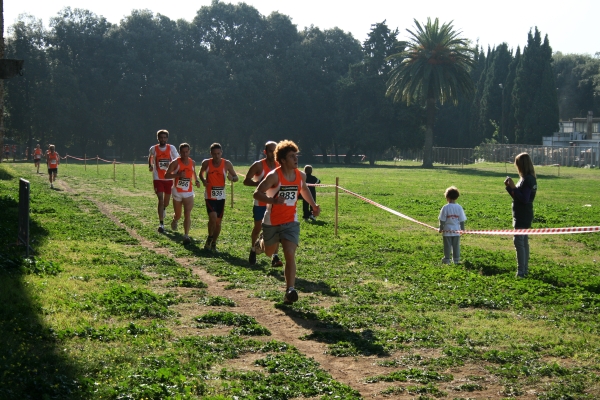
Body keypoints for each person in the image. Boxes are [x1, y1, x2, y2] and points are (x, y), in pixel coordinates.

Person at [253, 140, 320, 304]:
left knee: (289, 254)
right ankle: (260, 244)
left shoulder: (300, 175)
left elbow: (303, 189)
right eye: (291, 156)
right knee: (269, 252)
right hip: (272, 221)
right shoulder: (274, 176)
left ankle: (290, 290)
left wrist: (313, 205)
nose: (295, 159)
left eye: (296, 155)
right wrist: (273, 201)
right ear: (282, 160)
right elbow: (257, 194)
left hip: (291, 221)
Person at [243, 141, 282, 266]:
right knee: (258, 228)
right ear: (265, 152)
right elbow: (246, 181)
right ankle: (254, 249)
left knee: (276, 230)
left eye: (275, 151)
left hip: (274, 204)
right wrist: (259, 185)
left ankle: (275, 256)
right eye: (270, 151)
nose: (273, 153)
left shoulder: (279, 166)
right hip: (260, 203)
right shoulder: (258, 165)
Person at [199, 143, 239, 252]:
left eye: (218, 153)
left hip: (221, 196)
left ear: (221, 153)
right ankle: (210, 237)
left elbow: (236, 178)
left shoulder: (227, 164)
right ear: (211, 153)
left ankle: (214, 243)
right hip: (209, 195)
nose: (217, 156)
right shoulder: (206, 163)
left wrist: (232, 178)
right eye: (214, 154)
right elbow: (200, 174)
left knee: (218, 222)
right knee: (212, 217)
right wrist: (203, 181)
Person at [504, 152, 537, 278]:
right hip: (520, 214)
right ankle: (524, 269)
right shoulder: (524, 178)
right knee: (523, 241)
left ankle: (522, 271)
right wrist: (509, 188)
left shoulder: (528, 179)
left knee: (519, 242)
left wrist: (514, 187)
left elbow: (524, 199)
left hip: (523, 215)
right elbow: (517, 197)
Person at [164, 143, 201, 245]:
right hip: (177, 192)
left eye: (187, 152)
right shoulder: (175, 163)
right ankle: (175, 220)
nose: (185, 154)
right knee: (178, 215)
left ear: (189, 151)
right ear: (180, 152)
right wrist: (178, 175)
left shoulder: (192, 162)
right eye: (183, 152)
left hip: (188, 192)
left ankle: (186, 235)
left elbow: (193, 173)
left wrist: (196, 181)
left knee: (187, 213)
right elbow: (166, 175)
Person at [148, 129, 179, 233]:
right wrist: (150, 165)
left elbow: (177, 160)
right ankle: (161, 224)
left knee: (166, 202)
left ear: (167, 138)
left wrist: (170, 166)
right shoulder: (153, 148)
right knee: (160, 200)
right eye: (161, 137)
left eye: (165, 137)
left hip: (169, 178)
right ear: (158, 138)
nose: (163, 139)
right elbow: (150, 157)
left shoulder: (171, 148)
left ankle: (164, 208)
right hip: (158, 178)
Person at [438, 186, 467, 265]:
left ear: (447, 196)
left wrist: (441, 228)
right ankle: (456, 260)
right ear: (456, 197)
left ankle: (447, 259)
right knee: (456, 246)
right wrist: (462, 229)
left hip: (447, 231)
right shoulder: (459, 207)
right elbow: (461, 220)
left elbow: (442, 220)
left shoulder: (445, 208)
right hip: (456, 231)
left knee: (447, 246)